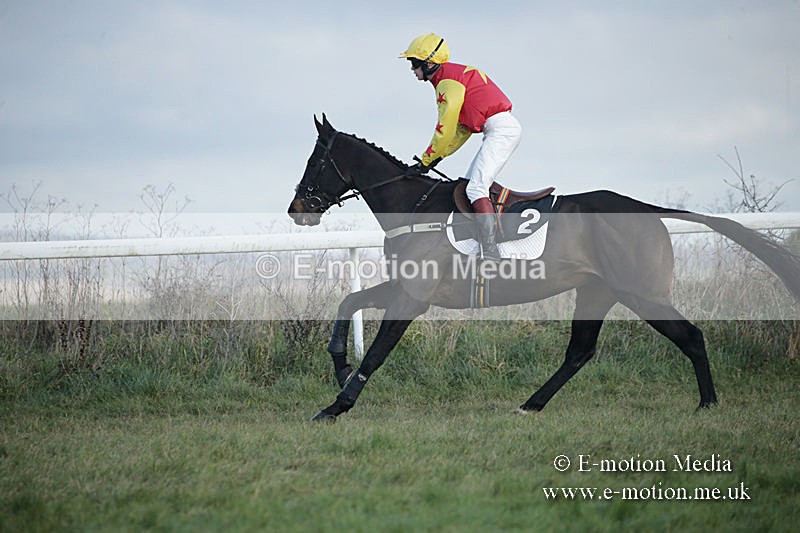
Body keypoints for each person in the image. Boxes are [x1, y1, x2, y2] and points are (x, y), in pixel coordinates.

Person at [400, 33, 522, 261]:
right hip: (497, 129)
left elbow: (445, 128)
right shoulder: (450, 76)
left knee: (475, 189)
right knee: (467, 187)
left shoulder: (447, 83)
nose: (412, 69)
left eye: (414, 63)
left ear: (429, 63)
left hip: (501, 129)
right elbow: (460, 131)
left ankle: (491, 252)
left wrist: (426, 161)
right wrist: (435, 158)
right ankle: (478, 244)